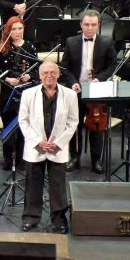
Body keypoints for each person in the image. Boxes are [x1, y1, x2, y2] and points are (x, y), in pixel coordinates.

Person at [18, 62, 78, 234]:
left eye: (52, 72)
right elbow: (23, 121)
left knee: (58, 186)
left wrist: (58, 143)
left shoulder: (70, 95)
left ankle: (59, 220)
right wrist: (38, 142)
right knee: (32, 184)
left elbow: (73, 122)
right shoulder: (28, 94)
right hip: (35, 147)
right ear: (40, 76)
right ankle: (30, 218)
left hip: (57, 147)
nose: (49, 76)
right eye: (45, 73)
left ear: (58, 75)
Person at [60, 10, 117, 174]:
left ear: (99, 25)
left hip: (96, 90)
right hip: (77, 90)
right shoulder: (71, 42)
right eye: (86, 24)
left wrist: (100, 79)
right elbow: (64, 67)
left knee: (96, 125)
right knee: (74, 125)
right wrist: (73, 82)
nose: (90, 28)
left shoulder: (107, 42)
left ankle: (96, 160)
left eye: (93, 24)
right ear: (81, 24)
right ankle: (74, 157)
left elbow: (112, 65)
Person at [0, 16, 38, 171]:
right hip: (8, 92)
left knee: (24, 127)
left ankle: (21, 159)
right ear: (8, 31)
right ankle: (8, 160)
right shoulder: (2, 48)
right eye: (14, 29)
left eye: (20, 28)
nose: (17, 32)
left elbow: (36, 70)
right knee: (8, 125)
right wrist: (7, 79)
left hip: (26, 92)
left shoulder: (30, 47)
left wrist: (29, 76)